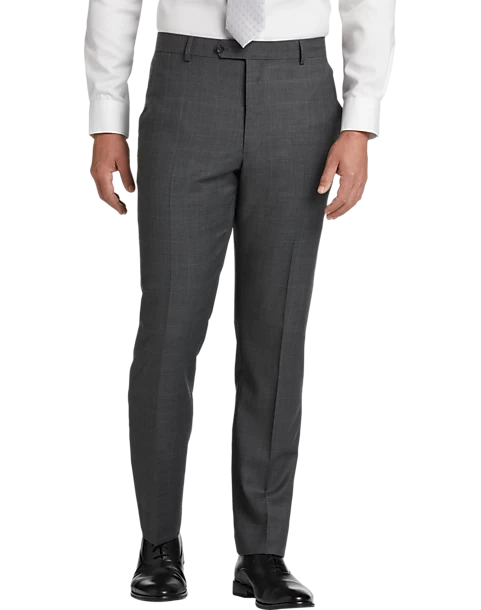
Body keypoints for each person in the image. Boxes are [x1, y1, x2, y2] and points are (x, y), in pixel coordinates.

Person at [84, 0, 396, 606]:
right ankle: (158, 544)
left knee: (275, 336)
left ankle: (262, 552)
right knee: (167, 331)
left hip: (299, 88)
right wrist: (106, 117)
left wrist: (360, 121)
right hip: (184, 83)